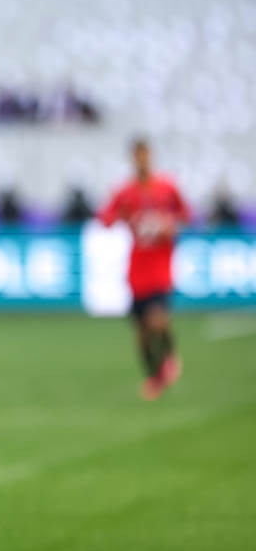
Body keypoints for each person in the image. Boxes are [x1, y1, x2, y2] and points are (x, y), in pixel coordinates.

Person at [98, 137, 190, 400]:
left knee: (157, 319)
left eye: (145, 155)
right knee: (141, 333)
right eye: (138, 156)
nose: (142, 160)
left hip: (160, 265)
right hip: (137, 269)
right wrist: (119, 215)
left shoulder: (167, 187)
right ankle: (154, 376)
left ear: (151, 156)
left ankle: (170, 357)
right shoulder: (125, 192)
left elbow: (185, 215)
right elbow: (105, 218)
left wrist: (170, 225)